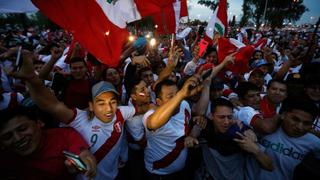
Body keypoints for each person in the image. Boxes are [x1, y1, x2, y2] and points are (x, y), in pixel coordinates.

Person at [10, 50, 150, 179]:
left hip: (116, 175)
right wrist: (31, 79)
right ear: (91, 105)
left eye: (112, 102)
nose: (109, 109)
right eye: (101, 103)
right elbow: (51, 104)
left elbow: (142, 109)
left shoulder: (120, 111)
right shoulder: (79, 119)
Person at [186, 98, 273, 180]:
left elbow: (270, 166)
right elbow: (195, 130)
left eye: (229, 117)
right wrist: (191, 136)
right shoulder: (204, 127)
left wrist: (256, 150)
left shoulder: (241, 134)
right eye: (221, 117)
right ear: (211, 116)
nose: (226, 122)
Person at [0, 106, 96, 179]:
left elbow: (81, 152)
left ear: (39, 123)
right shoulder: (5, 163)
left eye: (22, 129)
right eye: (7, 137)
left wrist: (84, 160)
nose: (18, 139)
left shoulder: (63, 136)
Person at [143, 77, 203, 179]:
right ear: (159, 101)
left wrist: (194, 126)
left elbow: (184, 125)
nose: (177, 100)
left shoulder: (184, 105)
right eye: (171, 97)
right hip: (158, 174)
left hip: (183, 169)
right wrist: (180, 95)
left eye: (177, 94)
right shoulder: (151, 115)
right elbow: (152, 124)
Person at [253, 97, 320, 180]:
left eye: (306, 123)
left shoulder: (314, 142)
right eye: (295, 119)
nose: (299, 127)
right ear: (284, 115)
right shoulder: (264, 128)